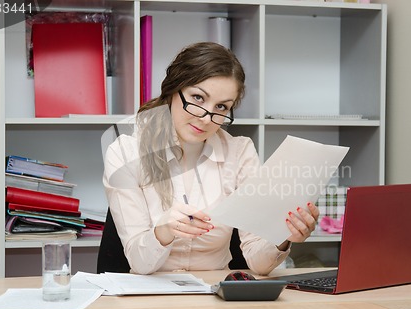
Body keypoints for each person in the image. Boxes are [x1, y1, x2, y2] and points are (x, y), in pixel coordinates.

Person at [103, 42, 319, 275]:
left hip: (215, 297)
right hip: (149, 298)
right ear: (172, 90)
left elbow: (258, 263)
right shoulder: (125, 153)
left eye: (221, 107)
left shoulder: (239, 152)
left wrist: (283, 236)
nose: (207, 118)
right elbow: (139, 262)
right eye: (197, 98)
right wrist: (163, 231)